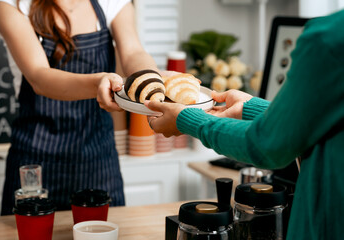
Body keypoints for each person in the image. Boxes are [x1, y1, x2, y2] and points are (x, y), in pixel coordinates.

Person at [145, 10, 344, 240]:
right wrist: (250, 107)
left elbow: (265, 145)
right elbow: (322, 116)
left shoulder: (328, 39)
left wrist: (188, 120)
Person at [0, 0, 160, 215]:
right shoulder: (12, 6)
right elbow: (39, 77)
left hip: (98, 159)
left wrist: (151, 77)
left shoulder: (111, 3)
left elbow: (133, 52)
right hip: (34, 164)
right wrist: (99, 82)